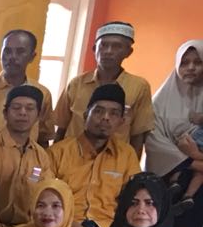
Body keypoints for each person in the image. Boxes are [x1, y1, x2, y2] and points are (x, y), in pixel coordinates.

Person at [48, 83, 141, 227]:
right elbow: (43, 200)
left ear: (121, 121)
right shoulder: (58, 152)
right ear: (86, 115)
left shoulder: (127, 155)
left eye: (114, 114)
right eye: (98, 111)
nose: (105, 118)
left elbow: (134, 199)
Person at [53, 22, 154, 153]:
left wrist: (131, 163)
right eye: (103, 45)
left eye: (116, 46)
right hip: (71, 157)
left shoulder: (139, 87)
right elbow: (61, 128)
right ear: (95, 49)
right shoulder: (76, 84)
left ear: (128, 52)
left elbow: (138, 135)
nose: (108, 51)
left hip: (113, 159)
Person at [143, 40, 203, 227]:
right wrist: (192, 160)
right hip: (166, 178)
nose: (191, 67)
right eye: (184, 62)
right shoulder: (159, 102)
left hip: (199, 188)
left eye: (197, 62)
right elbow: (154, 142)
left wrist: (194, 154)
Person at [0, 85, 55, 227]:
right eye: (16, 107)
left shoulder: (41, 155)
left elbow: (46, 196)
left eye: (29, 108)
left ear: (39, 116)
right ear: (5, 113)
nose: (22, 113)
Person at [0, 30, 54, 144]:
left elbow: (44, 138)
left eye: (20, 52)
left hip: (27, 154)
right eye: (7, 51)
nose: (12, 57)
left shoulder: (42, 93)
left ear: (32, 57)